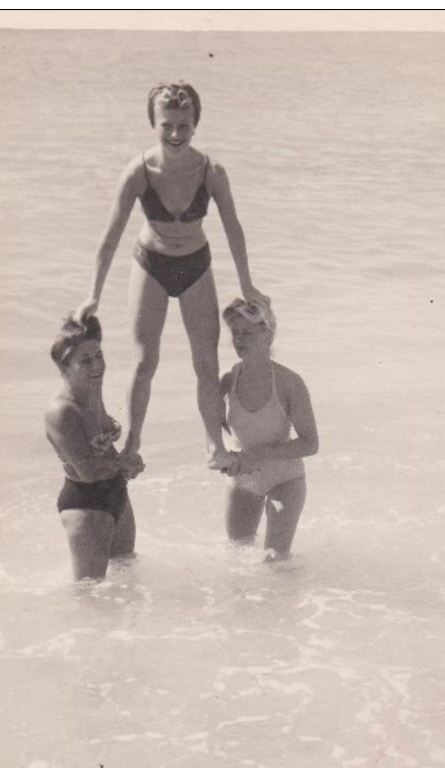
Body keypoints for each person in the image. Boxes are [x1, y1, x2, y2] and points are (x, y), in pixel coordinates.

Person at [73, 81, 270, 472]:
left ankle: (215, 446)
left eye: (184, 125)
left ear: (196, 123)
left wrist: (247, 283)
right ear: (153, 123)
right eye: (167, 125)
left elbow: (234, 228)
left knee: (206, 363)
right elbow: (109, 237)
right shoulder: (139, 171)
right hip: (151, 263)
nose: (176, 134)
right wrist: (92, 295)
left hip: (196, 265)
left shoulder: (211, 171)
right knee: (145, 362)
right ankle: (131, 445)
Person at [45, 316, 144, 582]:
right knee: (90, 598)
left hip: (116, 494)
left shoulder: (91, 390)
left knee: (127, 577)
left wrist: (127, 464)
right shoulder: (61, 411)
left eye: (99, 355)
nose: (97, 365)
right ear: (64, 366)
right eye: (85, 360)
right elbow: (86, 470)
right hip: (86, 504)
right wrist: (123, 463)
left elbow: (102, 450)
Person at [220, 299, 319, 561]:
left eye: (248, 332)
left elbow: (310, 443)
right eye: (235, 333)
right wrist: (222, 454)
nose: (239, 340)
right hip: (245, 478)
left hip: (285, 476)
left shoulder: (290, 383)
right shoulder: (228, 378)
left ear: (268, 333)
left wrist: (255, 456)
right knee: (236, 559)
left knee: (275, 560)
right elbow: (212, 426)